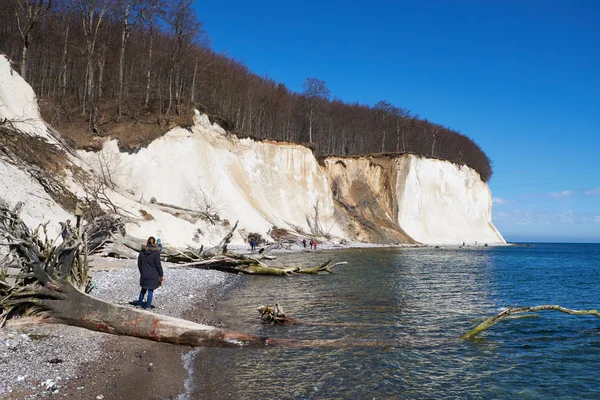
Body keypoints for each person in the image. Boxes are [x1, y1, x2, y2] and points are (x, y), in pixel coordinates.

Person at [137, 236, 163, 310]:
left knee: (143, 289)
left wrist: (142, 272)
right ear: (154, 243)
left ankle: (139, 304)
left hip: (144, 273)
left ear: (147, 242)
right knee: (150, 291)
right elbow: (158, 265)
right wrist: (161, 275)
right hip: (153, 274)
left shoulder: (142, 252)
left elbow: (139, 264)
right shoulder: (156, 253)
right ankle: (148, 306)